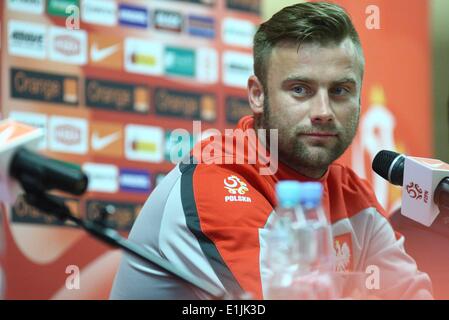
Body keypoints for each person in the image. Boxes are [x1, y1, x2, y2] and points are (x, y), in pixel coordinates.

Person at [110, 2, 432, 299]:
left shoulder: (351, 195)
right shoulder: (219, 182)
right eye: (300, 89)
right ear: (257, 95)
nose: (323, 110)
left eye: (339, 90)